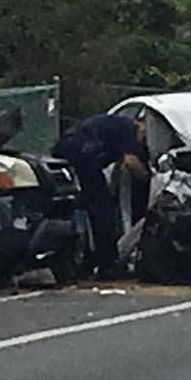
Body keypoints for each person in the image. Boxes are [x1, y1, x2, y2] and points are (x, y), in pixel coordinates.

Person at [52, 112, 151, 277]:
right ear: (141, 122)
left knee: (85, 205)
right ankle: (107, 263)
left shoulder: (115, 126)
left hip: (66, 149)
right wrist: (150, 179)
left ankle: (86, 261)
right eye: (145, 136)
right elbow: (130, 162)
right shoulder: (130, 127)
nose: (144, 141)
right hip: (81, 153)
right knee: (104, 208)